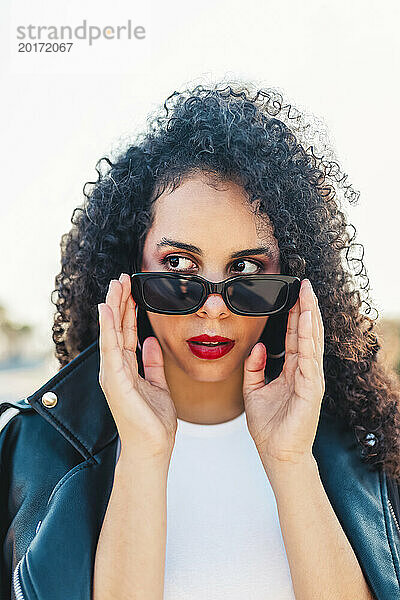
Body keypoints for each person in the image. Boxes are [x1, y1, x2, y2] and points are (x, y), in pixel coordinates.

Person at [1, 82, 399, 600]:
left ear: (294, 284)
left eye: (248, 268)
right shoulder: (34, 450)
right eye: (179, 266)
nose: (214, 306)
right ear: (128, 269)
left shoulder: (371, 450)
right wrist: (143, 453)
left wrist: (291, 462)